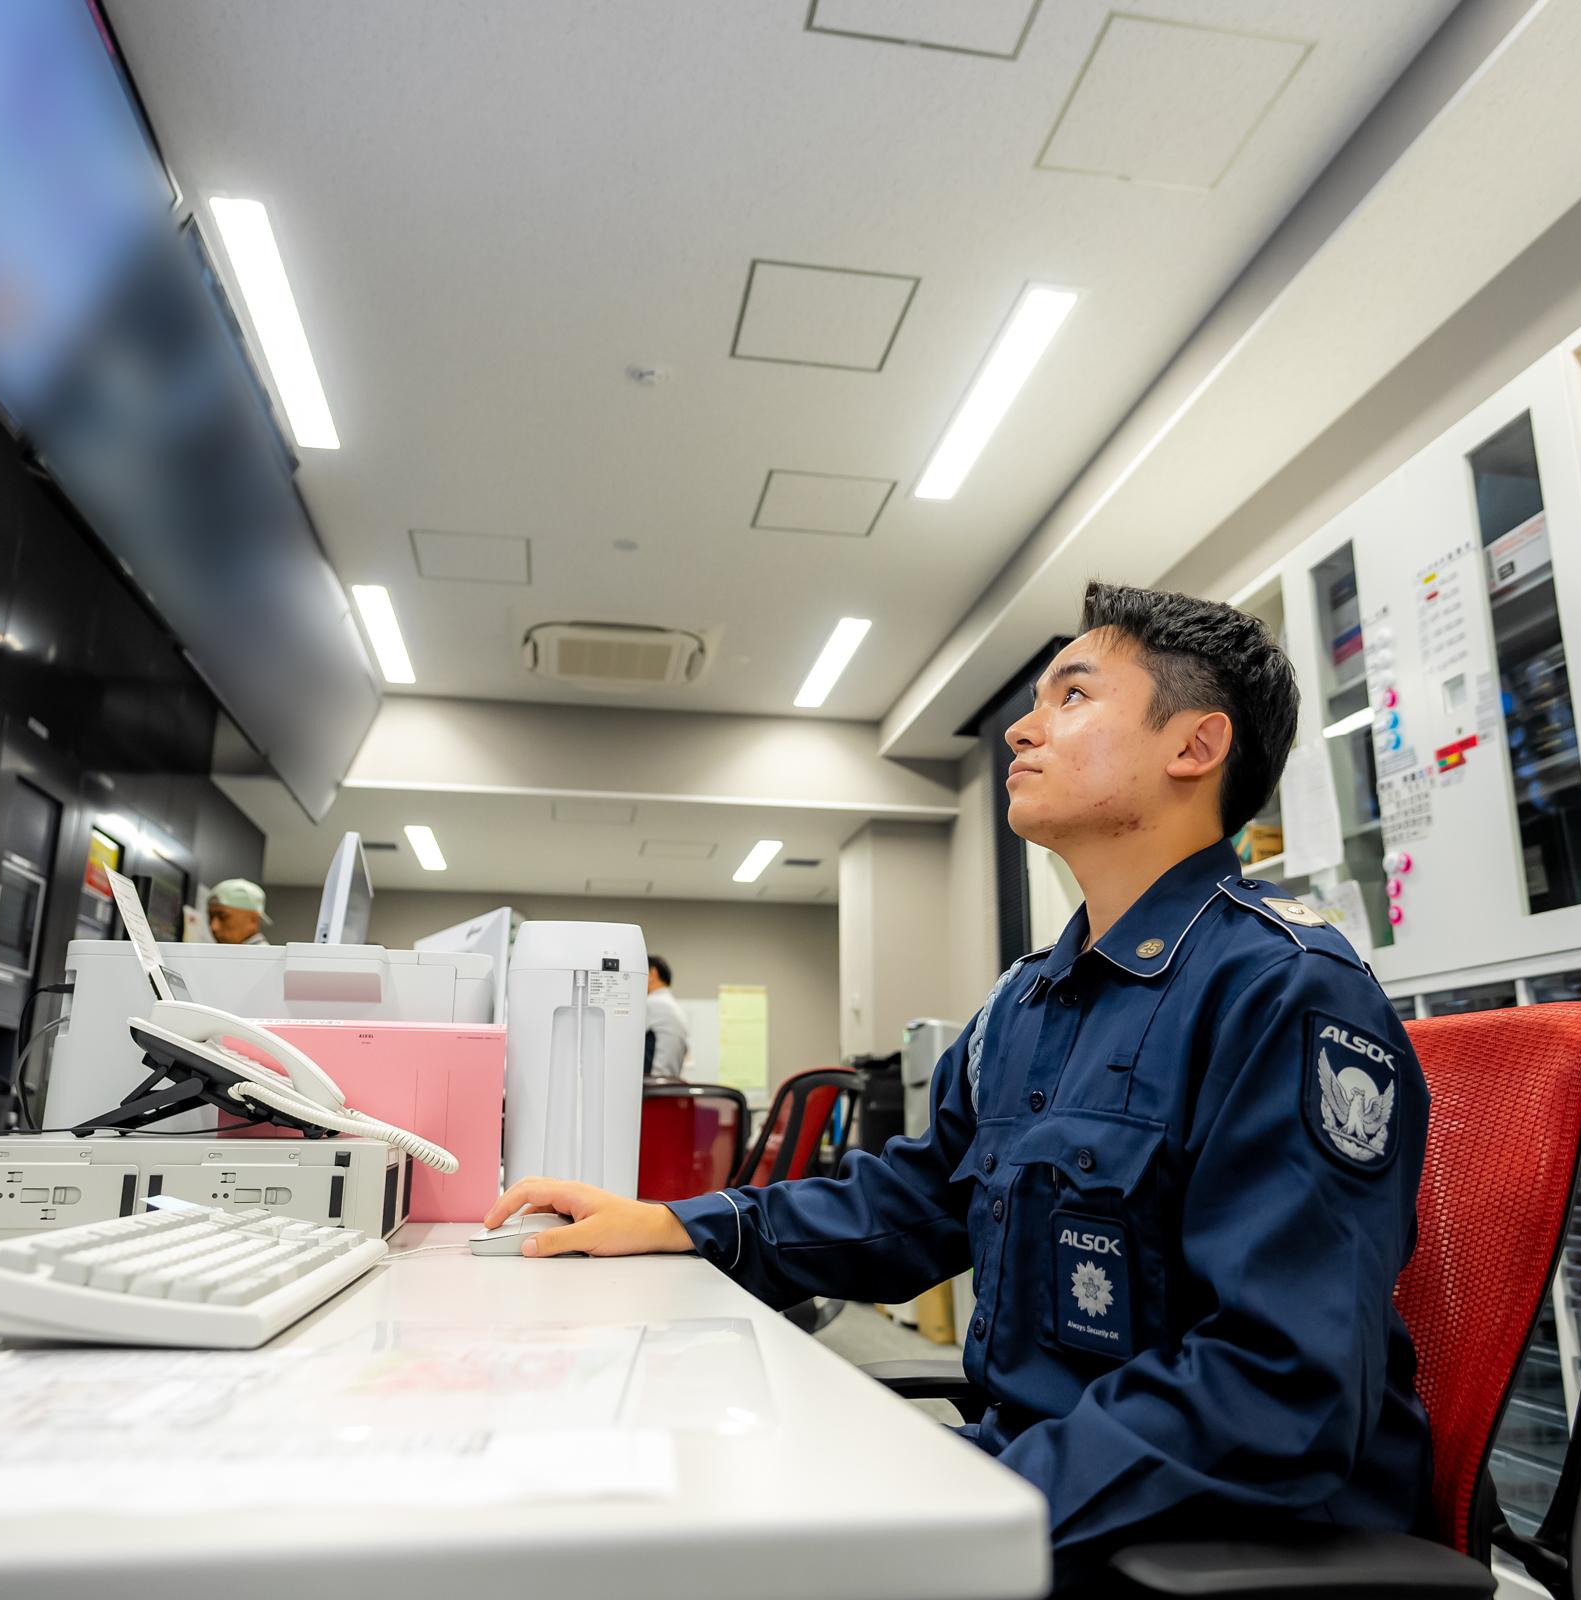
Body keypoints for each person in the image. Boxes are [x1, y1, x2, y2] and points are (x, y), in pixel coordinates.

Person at [485, 582, 1432, 1578]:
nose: (1023, 728)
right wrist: (681, 1224)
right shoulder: (1024, 1004)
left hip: (1203, 1538)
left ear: (1194, 747)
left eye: (1071, 696)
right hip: (1041, 1483)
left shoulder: (1284, 992)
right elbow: (906, 1202)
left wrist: (967, 1498)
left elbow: (1279, 1385)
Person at [644, 954, 690, 1079]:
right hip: (668, 1084)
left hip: (652, 1086)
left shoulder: (652, 1003)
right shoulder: (674, 1006)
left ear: (652, 973)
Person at [205, 879, 272, 946]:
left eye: (223, 917)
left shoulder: (266, 956)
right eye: (211, 917)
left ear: (253, 920)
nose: (214, 927)